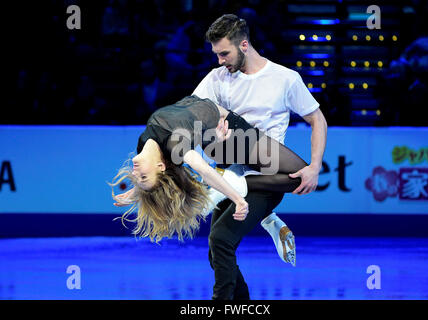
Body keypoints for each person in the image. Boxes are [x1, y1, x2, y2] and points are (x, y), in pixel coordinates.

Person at [192, 14, 328, 300]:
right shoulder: (217, 78)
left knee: (221, 241)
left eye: (224, 53)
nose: (219, 61)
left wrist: (315, 166)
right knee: (218, 253)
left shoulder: (285, 79)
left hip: (266, 177)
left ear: (244, 45)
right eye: (216, 54)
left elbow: (318, 119)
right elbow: (191, 113)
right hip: (230, 167)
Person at [111, 95, 309, 249]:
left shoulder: (143, 145)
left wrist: (136, 192)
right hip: (231, 135)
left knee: (300, 177)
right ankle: (240, 183)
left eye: (138, 179)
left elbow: (153, 178)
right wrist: (238, 199)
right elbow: (203, 170)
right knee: (300, 177)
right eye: (143, 177)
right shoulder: (174, 145)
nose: (135, 174)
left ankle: (239, 182)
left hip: (215, 138)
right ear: (160, 167)